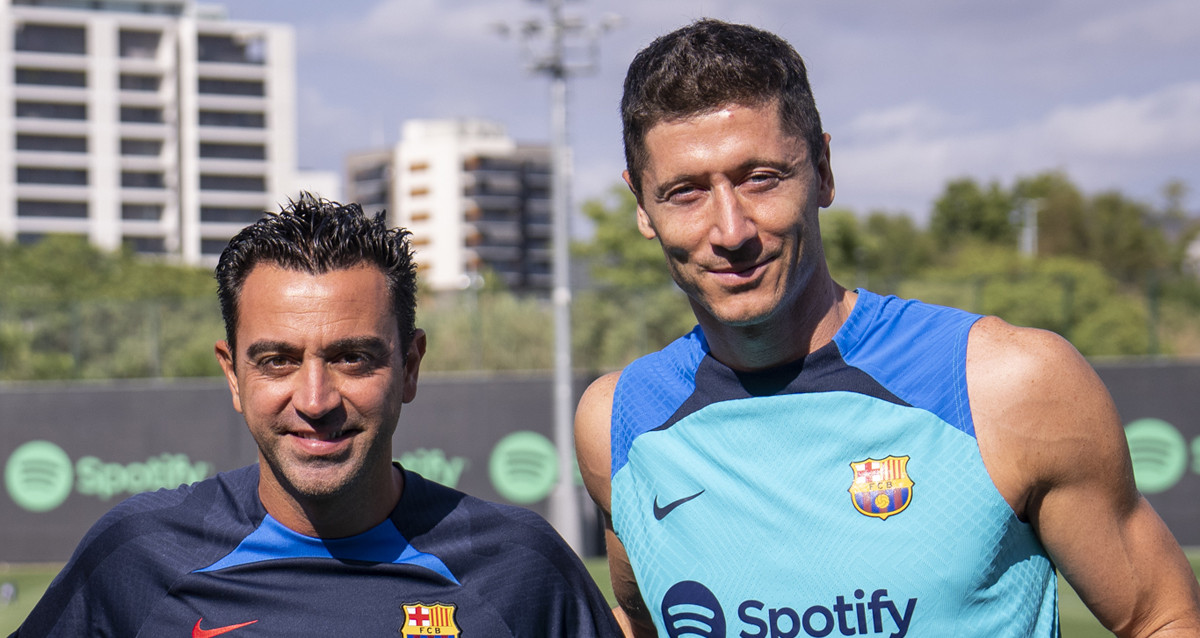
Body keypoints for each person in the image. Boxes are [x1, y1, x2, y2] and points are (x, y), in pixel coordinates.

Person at [575, 19, 1200, 638]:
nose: (731, 229)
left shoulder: (1007, 383)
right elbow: (641, 619)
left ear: (822, 169)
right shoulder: (617, 421)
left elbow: (1163, 620)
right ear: (642, 206)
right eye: (685, 192)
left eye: (760, 178)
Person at [15, 194, 621, 637]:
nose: (315, 400)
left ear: (410, 367)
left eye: (353, 358)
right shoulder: (136, 558)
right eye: (277, 361)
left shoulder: (521, 568)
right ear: (233, 374)